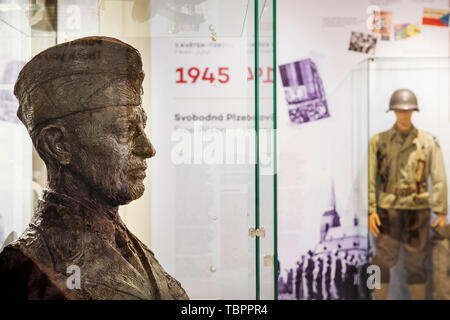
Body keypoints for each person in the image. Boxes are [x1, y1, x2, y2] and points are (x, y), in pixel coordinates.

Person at [0, 37, 188, 300]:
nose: (148, 148)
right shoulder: (29, 265)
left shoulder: (125, 243)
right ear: (59, 145)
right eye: (125, 130)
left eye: (142, 127)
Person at [368, 89, 448, 300]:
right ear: (393, 111)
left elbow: (438, 176)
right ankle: (373, 298)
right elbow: (370, 178)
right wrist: (370, 209)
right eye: (399, 110)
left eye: (408, 110)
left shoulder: (428, 141)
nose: (403, 114)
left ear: (413, 111)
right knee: (378, 262)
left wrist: (441, 212)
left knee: (417, 263)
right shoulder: (379, 141)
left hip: (417, 209)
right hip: (388, 208)